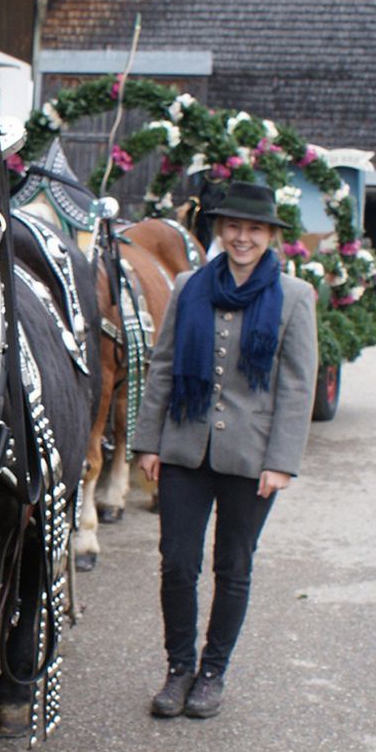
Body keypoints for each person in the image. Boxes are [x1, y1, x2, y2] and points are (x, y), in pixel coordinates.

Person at [132, 180, 318, 719]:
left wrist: (282, 462)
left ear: (268, 236)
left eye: (254, 229)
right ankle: (178, 670)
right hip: (185, 450)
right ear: (219, 230)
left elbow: (296, 385)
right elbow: (163, 366)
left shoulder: (294, 296)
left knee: (233, 568)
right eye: (233, 226)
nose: (242, 237)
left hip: (252, 459)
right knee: (177, 564)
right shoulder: (189, 285)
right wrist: (148, 442)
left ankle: (213, 673)